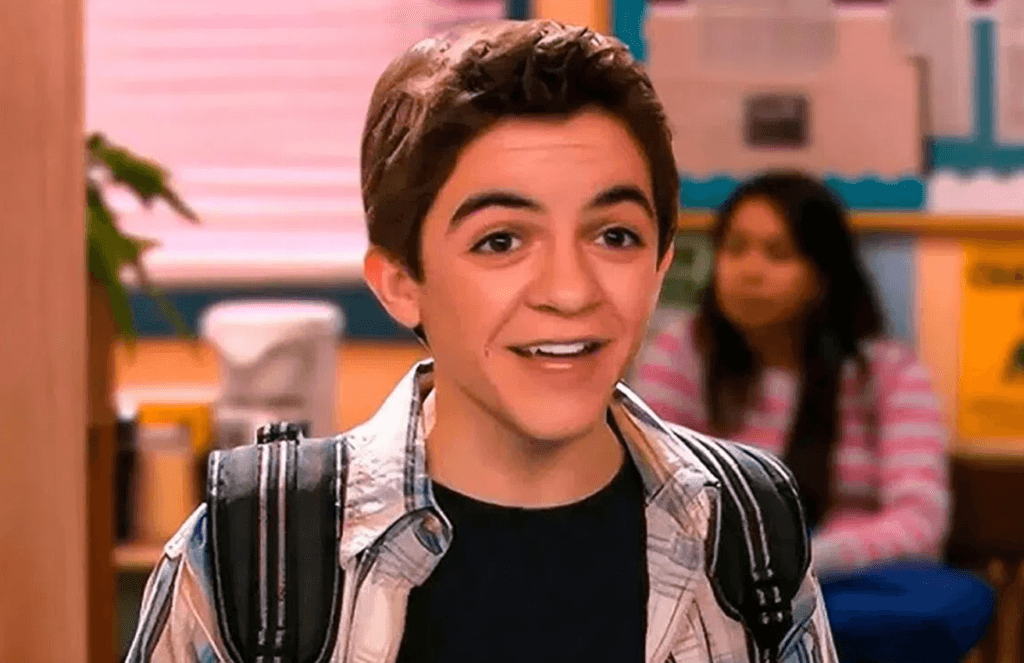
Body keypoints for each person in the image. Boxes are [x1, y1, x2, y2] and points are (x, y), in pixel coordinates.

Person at [125, 22, 840, 663]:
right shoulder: (252, 553)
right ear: (401, 282)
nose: (570, 291)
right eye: (501, 241)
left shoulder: (746, 531)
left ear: (660, 264)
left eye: (615, 235)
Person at [634, 171, 996, 663]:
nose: (750, 270)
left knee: (951, 602)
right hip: (720, 582)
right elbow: (657, 500)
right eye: (735, 249)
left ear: (822, 275)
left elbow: (919, 523)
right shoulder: (682, 355)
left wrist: (803, 562)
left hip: (845, 581)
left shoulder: (885, 372)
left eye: (777, 254)